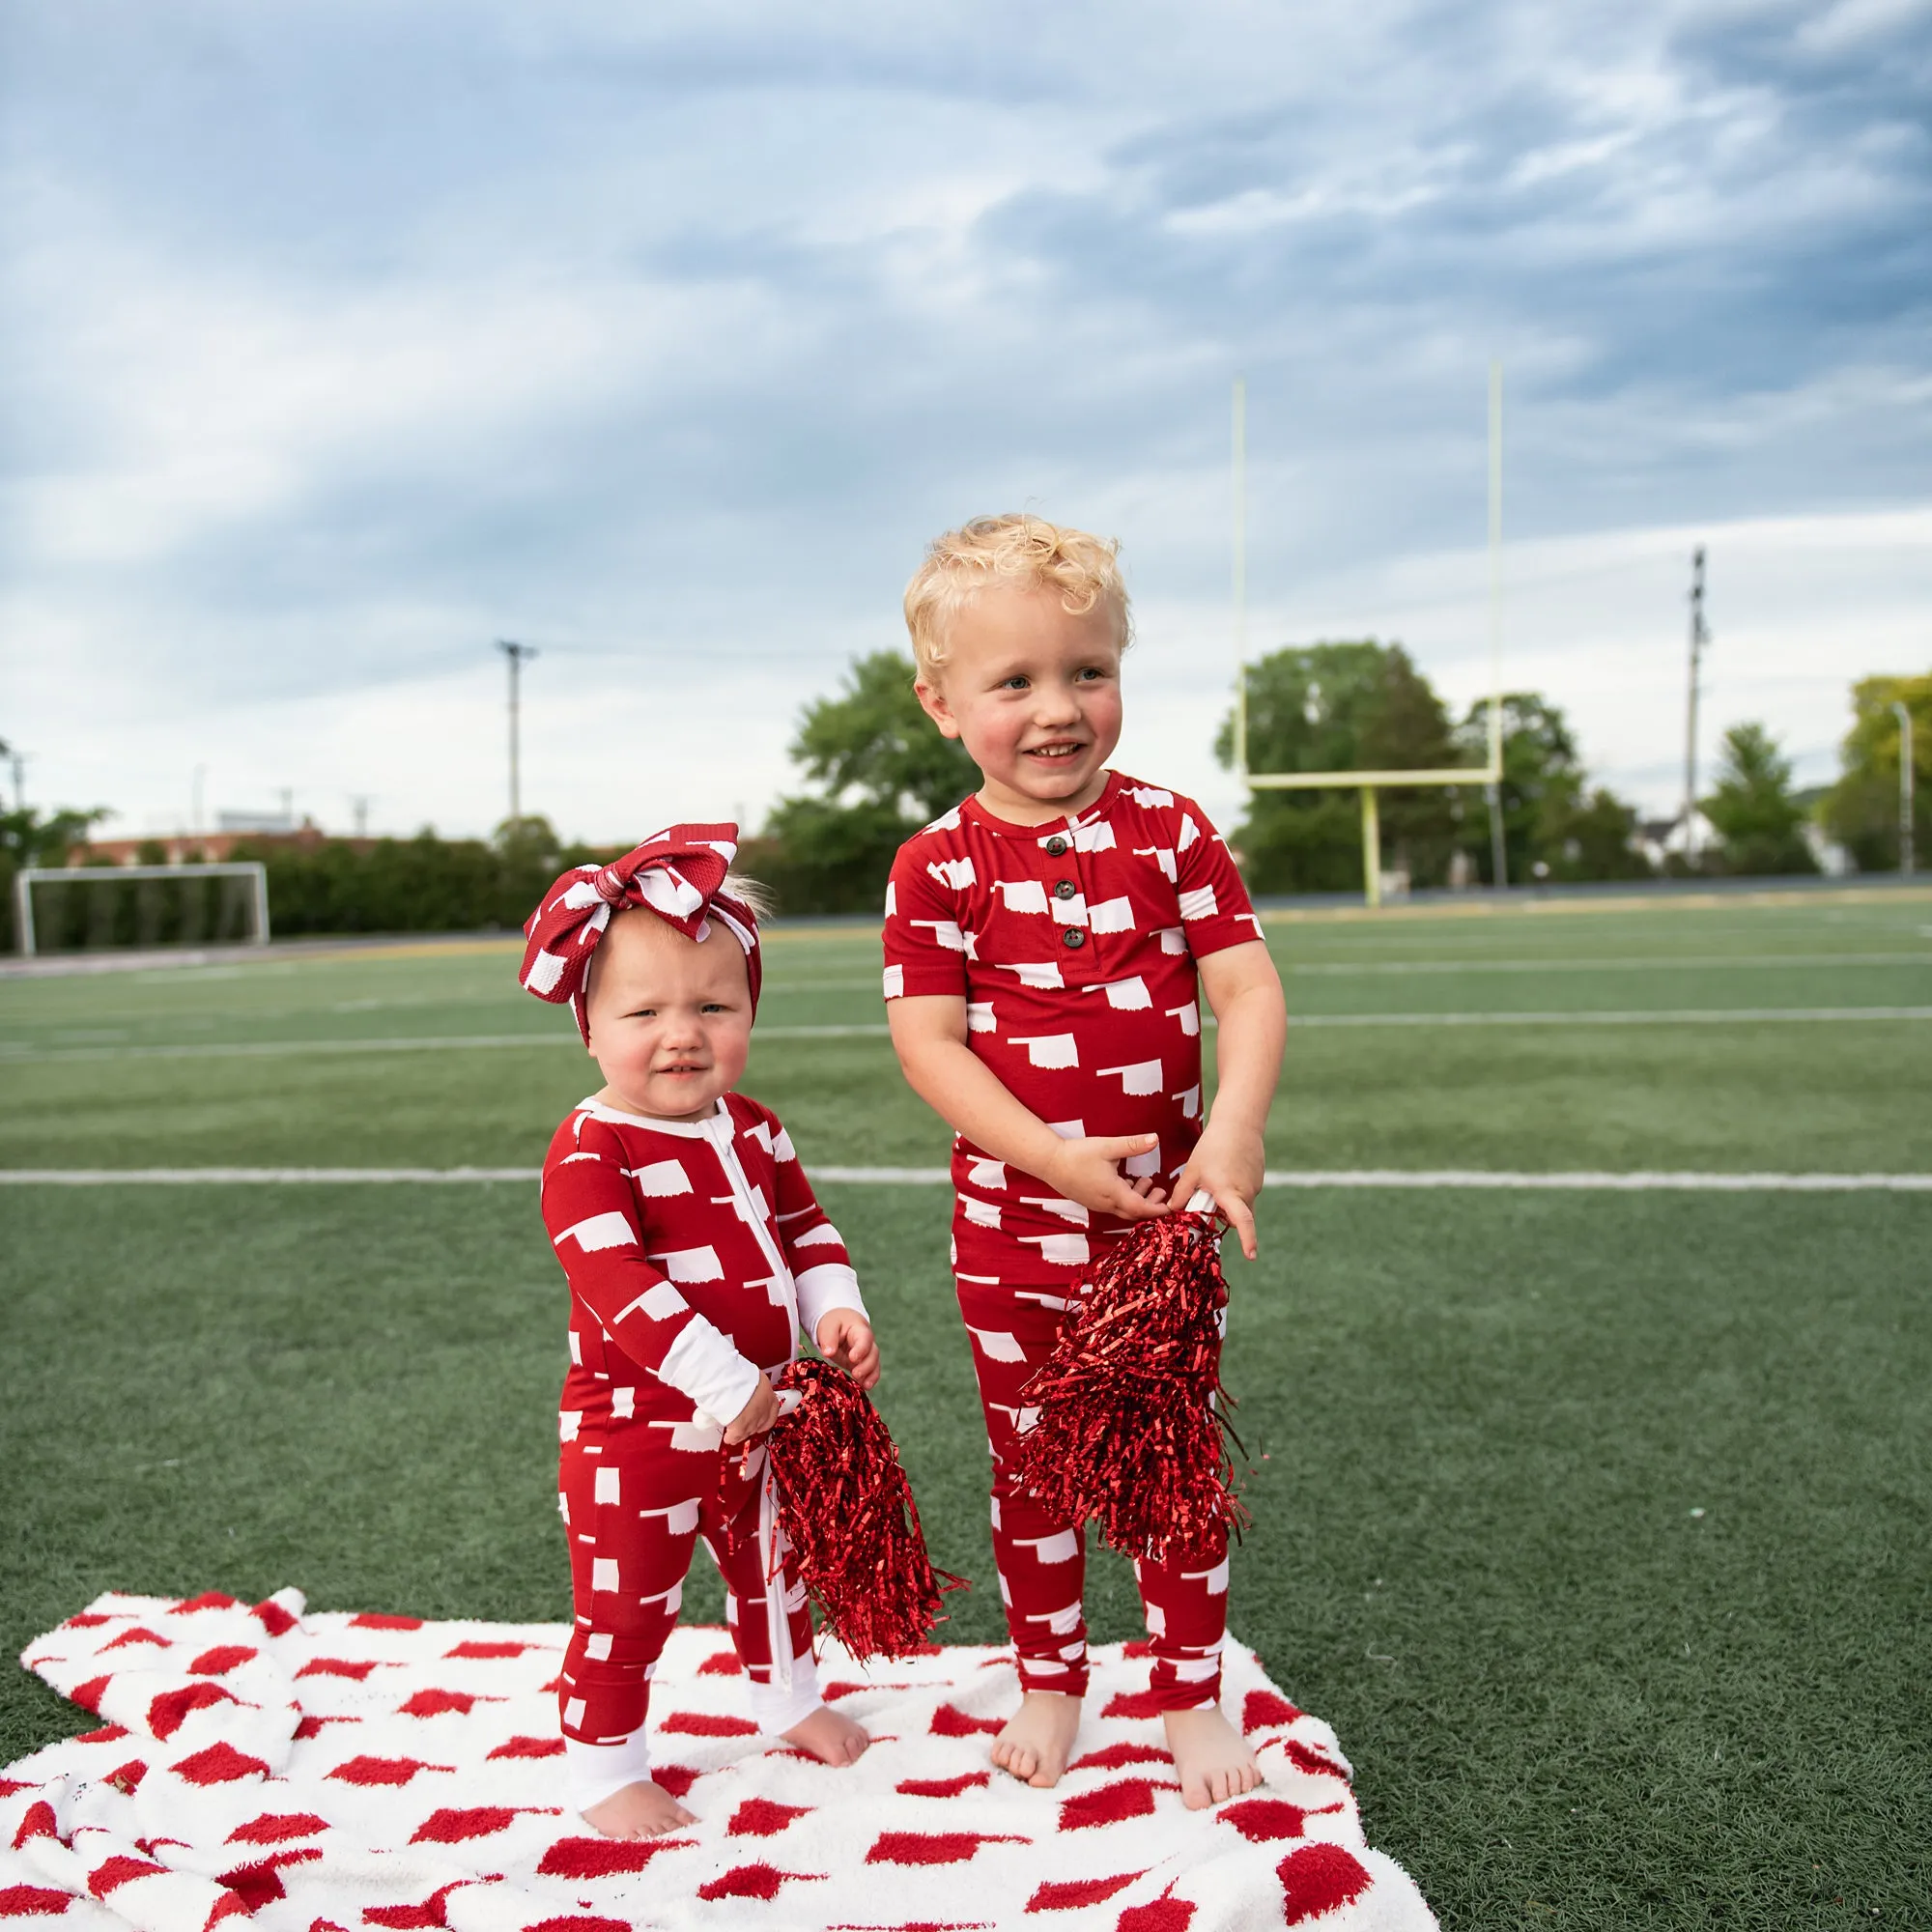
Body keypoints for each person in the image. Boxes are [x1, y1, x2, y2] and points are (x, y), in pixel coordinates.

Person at [882, 515, 1289, 1810]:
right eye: (1015, 683)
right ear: (942, 703)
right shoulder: (934, 868)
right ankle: (1052, 1678)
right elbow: (929, 1046)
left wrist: (1232, 1129)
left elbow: (1249, 989)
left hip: (1161, 1232)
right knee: (1033, 1467)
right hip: (1013, 1234)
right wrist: (1050, 1156)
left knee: (1172, 1460)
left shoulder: (1171, 831)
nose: (1057, 711)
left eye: (1088, 672)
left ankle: (1189, 1694)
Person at [521, 825, 881, 1840]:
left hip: (760, 1410)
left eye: (713, 1006)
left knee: (776, 1567)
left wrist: (835, 1305)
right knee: (628, 1601)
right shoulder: (591, 1148)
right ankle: (603, 1764)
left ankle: (788, 1699)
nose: (681, 1032)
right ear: (588, 1026)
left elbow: (806, 1230)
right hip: (635, 1426)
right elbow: (618, 1284)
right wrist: (725, 1381)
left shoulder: (755, 1126)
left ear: (748, 1015)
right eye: (643, 1010)